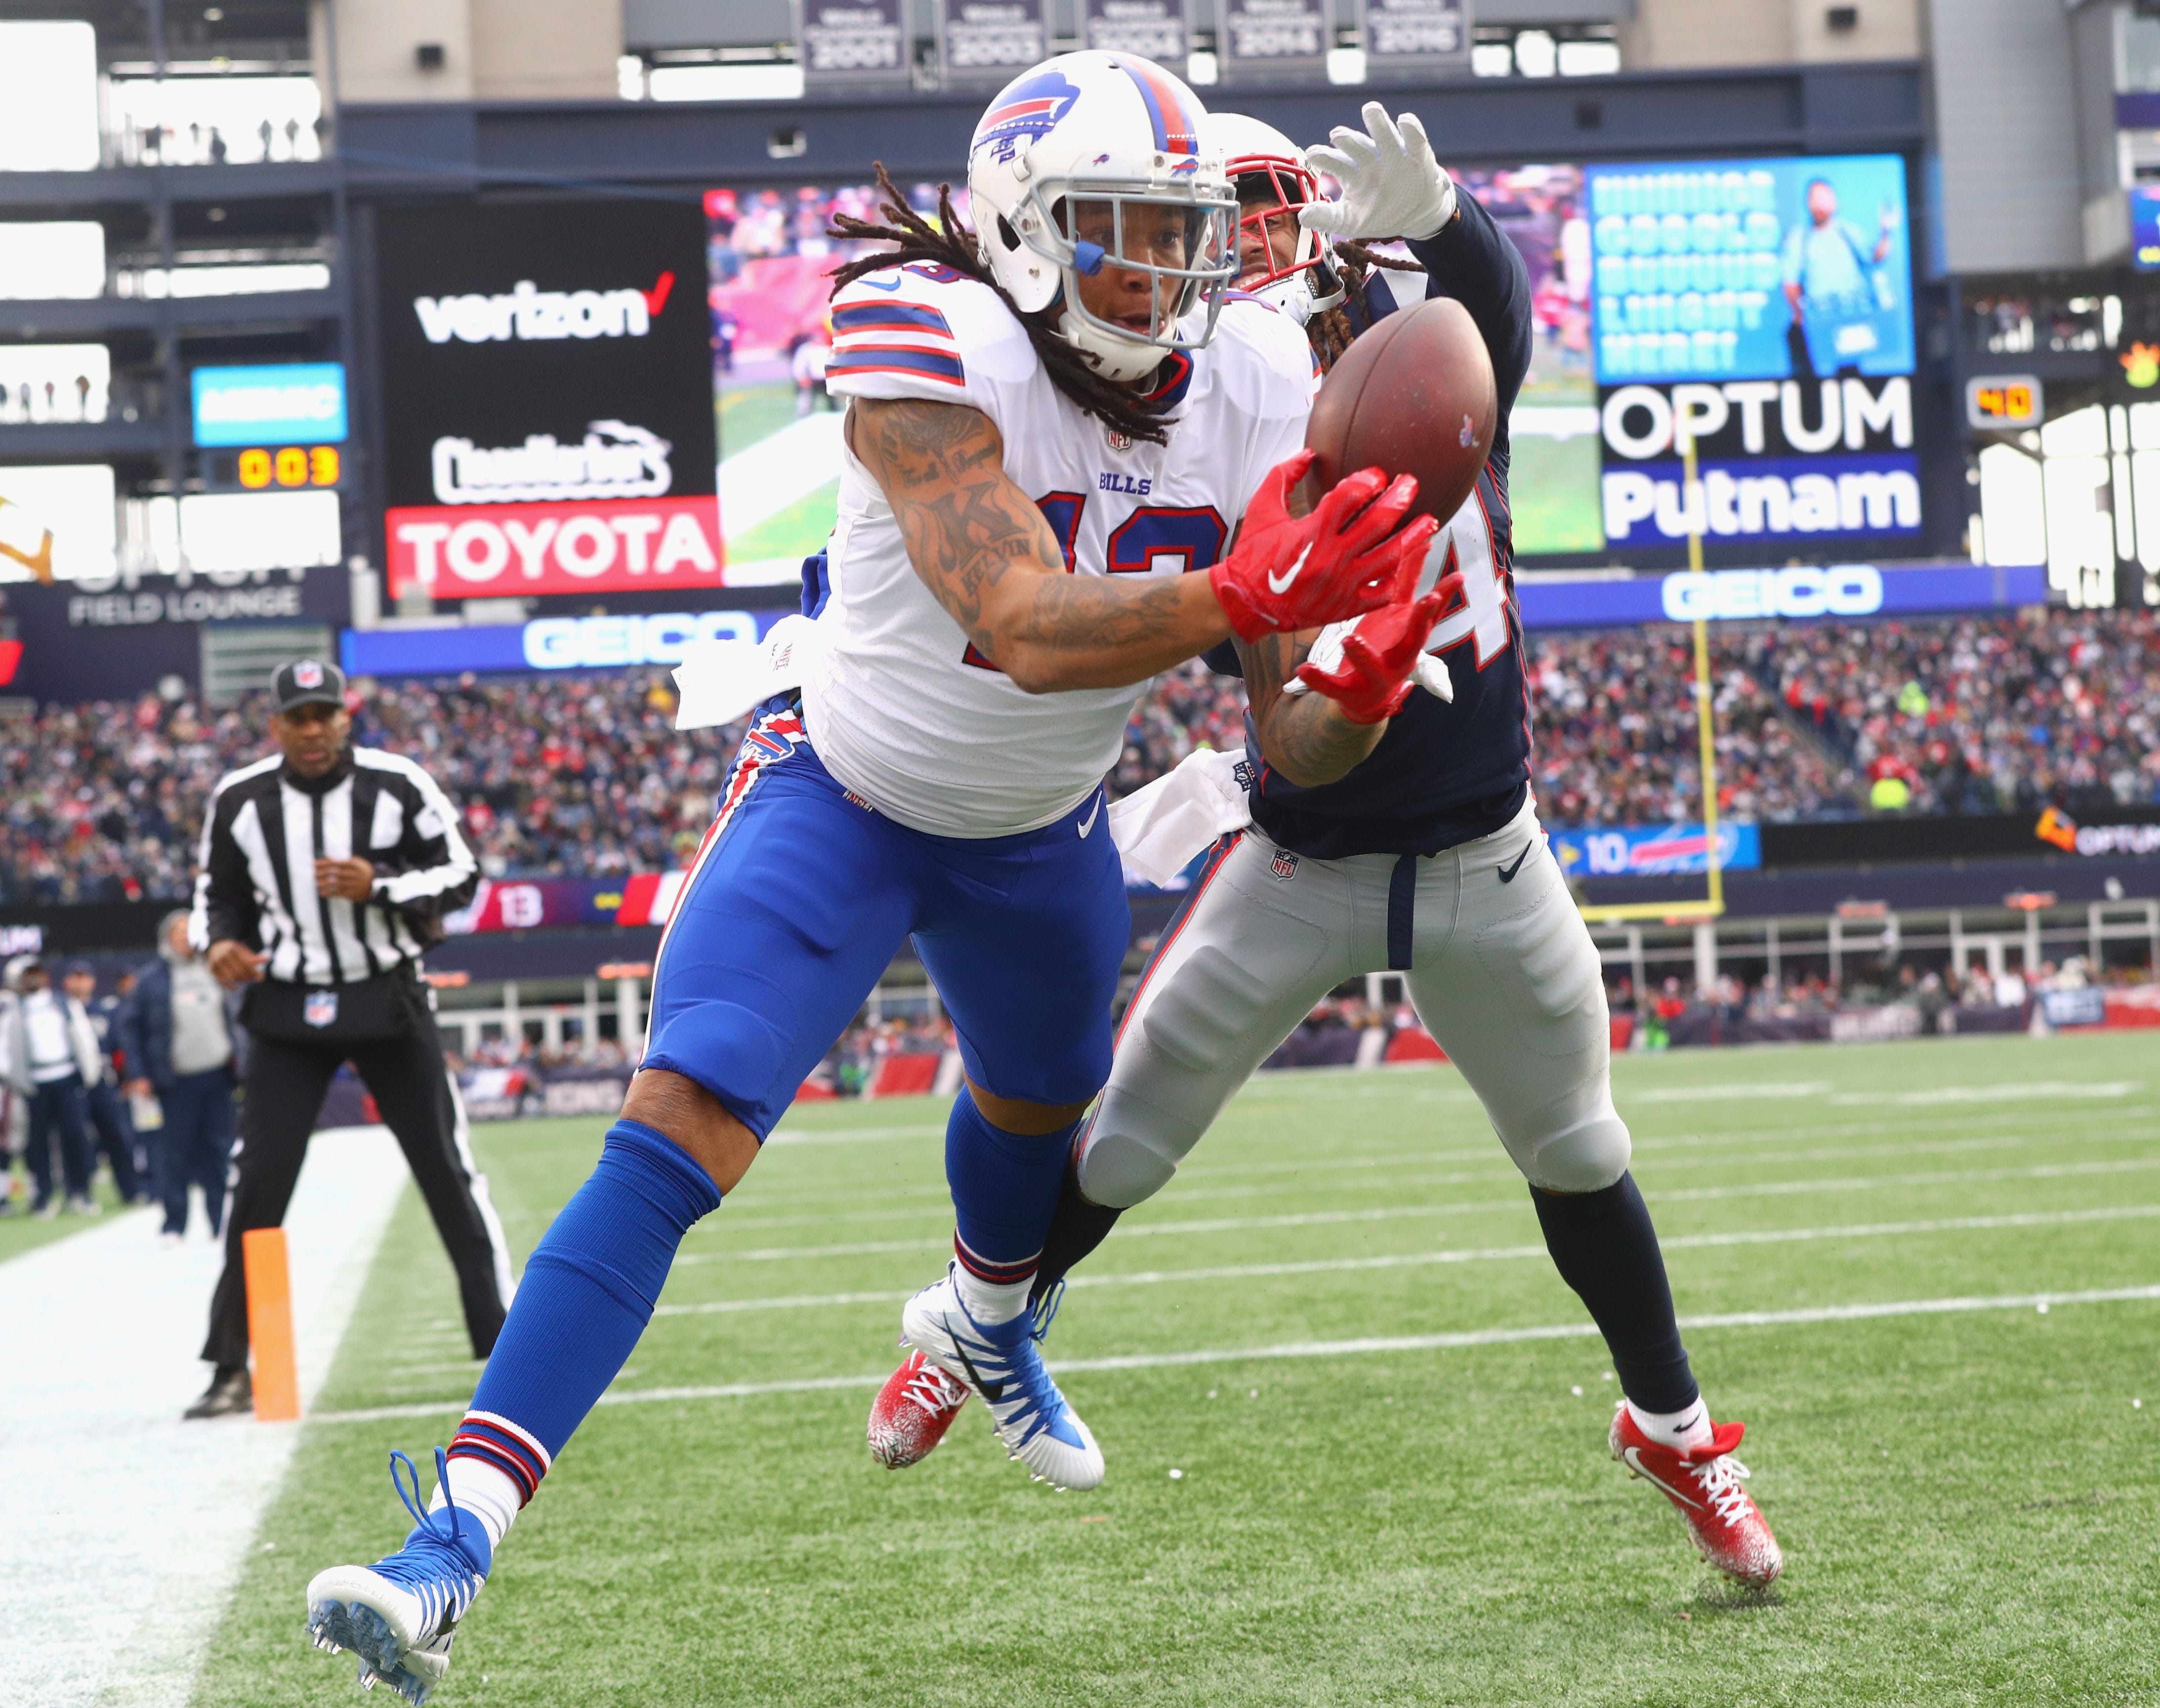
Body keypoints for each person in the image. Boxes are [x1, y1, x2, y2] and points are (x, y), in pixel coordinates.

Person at [301, 52, 1440, 1705]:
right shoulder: (926, 322)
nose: (1172, 270)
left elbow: (1293, 747)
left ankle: (986, 1320)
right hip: (842, 790)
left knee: (1048, 1109)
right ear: (1029, 231)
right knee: (684, 1114)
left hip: (1041, 831)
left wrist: (1358, 678)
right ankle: (450, 1545)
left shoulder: (1258, 372)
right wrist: (1241, 594)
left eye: (1187, 231)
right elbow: (1024, 621)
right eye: (1128, 229)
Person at [868, 102, 1783, 1590]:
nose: (1259, 236)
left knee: (1580, 1150)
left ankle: (1675, 1431)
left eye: (1276, 204)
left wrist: (1456, 220)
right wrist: (1314, 704)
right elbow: (1247, 680)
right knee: (1119, 1147)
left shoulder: (1404, 356)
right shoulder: (1209, 404)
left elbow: (1487, 326)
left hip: (1486, 850)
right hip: (1299, 857)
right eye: (1225, 213)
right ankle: (975, 1326)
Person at [181, 659, 512, 1423]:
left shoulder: (397, 783)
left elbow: (464, 873)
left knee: (446, 1168)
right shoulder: (241, 799)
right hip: (288, 1007)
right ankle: (233, 1364)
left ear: (345, 718)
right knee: (258, 1183)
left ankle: (503, 1349)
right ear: (276, 725)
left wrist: (381, 885)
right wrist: (216, 944)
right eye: (297, 716)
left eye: (324, 713)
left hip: (388, 994)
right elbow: (216, 897)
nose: (312, 728)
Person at [119, 911, 237, 1244]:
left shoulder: (215, 968)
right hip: (176, 1081)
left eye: (190, 931)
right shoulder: (151, 979)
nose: (185, 937)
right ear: (166, 938)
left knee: (218, 1152)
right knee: (175, 1154)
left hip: (218, 1075)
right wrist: (139, 1073)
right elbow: (132, 1031)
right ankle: (174, 1223)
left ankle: (219, 1222)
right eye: (179, 932)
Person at [2, 955, 102, 1216]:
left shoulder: (64, 1003)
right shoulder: (14, 1011)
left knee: (75, 1136)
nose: (34, 979)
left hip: (66, 1078)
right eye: (28, 975)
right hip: (36, 1084)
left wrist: (88, 1073)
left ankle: (80, 1192)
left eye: (38, 973)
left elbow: (84, 1038)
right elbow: (7, 1051)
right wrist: (19, 1081)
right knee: (38, 1144)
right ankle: (43, 1197)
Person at [1781, 175, 1897, 378]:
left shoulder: (1849, 232)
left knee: (1851, 376)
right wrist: (1800, 312)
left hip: (1851, 321)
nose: (1820, 204)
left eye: (1825, 198)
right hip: (1817, 323)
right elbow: (1790, 283)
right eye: (1814, 199)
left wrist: (1887, 232)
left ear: (1835, 202)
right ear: (1808, 204)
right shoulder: (1799, 239)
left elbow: (1875, 258)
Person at [65, 960, 144, 1205]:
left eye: (84, 977)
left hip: (103, 1078)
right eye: (75, 977)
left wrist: (124, 1080)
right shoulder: (61, 1010)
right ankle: (79, 1193)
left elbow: (120, 1048)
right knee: (75, 1138)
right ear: (67, 981)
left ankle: (131, 1190)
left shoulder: (105, 1010)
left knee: (117, 1136)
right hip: (73, 1080)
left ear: (93, 981)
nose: (80, 982)